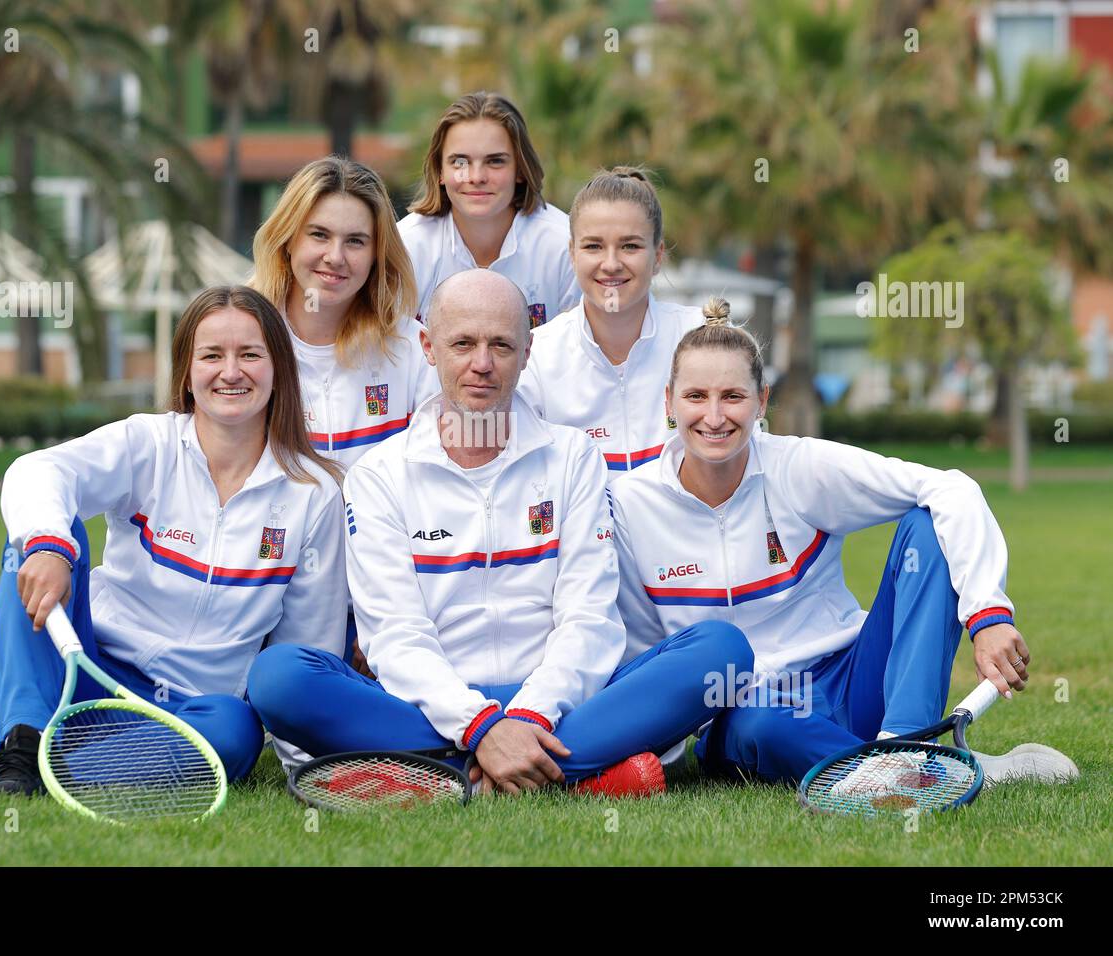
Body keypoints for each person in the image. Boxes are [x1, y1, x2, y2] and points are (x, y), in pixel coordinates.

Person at [246, 269, 754, 797]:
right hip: (434, 708)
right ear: (428, 346)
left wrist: (529, 714)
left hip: (556, 704)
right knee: (280, 678)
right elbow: (395, 636)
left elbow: (589, 619)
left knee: (721, 651)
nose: (482, 364)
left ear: (528, 352)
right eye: (463, 343)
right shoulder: (379, 474)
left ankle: (443, 775)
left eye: (501, 345)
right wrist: (480, 725)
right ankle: (575, 773)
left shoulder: (572, 456)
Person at [0, 287, 348, 793]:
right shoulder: (147, 444)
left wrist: (304, 765)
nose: (231, 371)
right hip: (83, 669)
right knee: (46, 533)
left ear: (279, 368)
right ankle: (21, 746)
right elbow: (37, 469)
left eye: (250, 354)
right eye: (212, 355)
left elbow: (307, 645)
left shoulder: (314, 493)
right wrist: (49, 546)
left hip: (186, 713)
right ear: (186, 369)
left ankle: (1, 773)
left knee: (234, 731)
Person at [608, 298, 1080, 786]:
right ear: (668, 402)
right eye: (695, 396)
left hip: (851, 679)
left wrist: (989, 616)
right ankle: (931, 770)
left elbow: (951, 487)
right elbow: (645, 651)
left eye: (732, 396)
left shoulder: (801, 467)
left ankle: (905, 745)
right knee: (762, 723)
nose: (713, 416)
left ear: (762, 401)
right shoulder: (630, 502)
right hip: (744, 713)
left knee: (926, 524)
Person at [250, 156, 437, 672]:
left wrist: (384, 613)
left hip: (384, 587)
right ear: (288, 238)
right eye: (319, 235)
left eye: (356, 241)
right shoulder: (245, 337)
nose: (336, 257)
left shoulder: (408, 345)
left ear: (378, 253)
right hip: (257, 583)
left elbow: (436, 485)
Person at [519, 167, 702, 481]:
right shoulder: (534, 357)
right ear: (572, 255)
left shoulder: (702, 336)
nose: (612, 264)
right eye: (593, 246)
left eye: (630, 246)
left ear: (658, 256)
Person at [398, 91, 578, 329]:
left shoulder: (565, 246)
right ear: (440, 171)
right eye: (460, 162)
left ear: (521, 170)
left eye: (495, 161)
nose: (477, 177)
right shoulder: (405, 247)